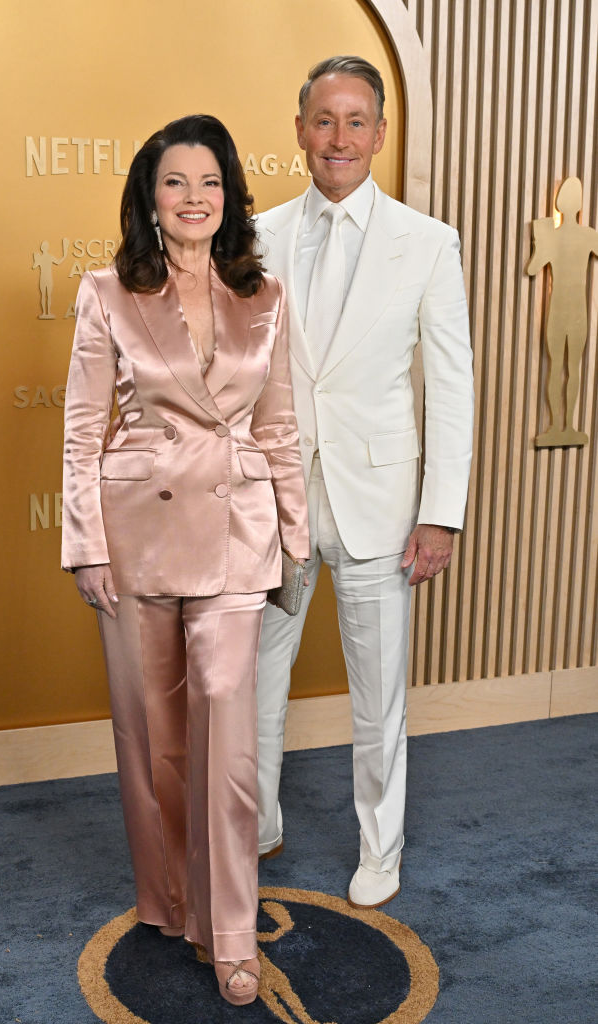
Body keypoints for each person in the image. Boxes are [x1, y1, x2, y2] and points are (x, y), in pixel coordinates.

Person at [61, 114, 308, 1006]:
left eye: (209, 182)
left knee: (227, 744)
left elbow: (277, 426)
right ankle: (169, 900)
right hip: (135, 532)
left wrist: (293, 536)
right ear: (148, 199)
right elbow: (84, 429)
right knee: (152, 738)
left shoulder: (264, 294)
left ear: (229, 196)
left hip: (236, 534)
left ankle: (232, 930)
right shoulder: (106, 292)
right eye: (175, 183)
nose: (194, 198)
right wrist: (86, 546)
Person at [255, 56, 474, 909]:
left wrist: (441, 514)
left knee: (378, 695)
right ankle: (257, 821)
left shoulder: (428, 243)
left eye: (355, 121)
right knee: (255, 683)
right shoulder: (258, 235)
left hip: (381, 508)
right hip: (275, 505)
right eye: (322, 120)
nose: (337, 137)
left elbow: (452, 387)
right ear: (300, 128)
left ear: (380, 134)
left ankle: (378, 848)